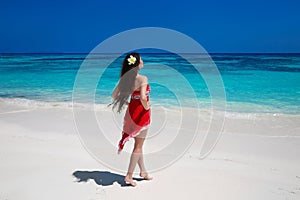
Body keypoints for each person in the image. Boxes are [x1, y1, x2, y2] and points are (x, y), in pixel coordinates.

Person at [110, 52, 153, 187]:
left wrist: (129, 104)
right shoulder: (143, 79)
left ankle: (143, 172)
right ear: (137, 63)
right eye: (141, 59)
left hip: (130, 114)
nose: (143, 61)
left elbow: (113, 95)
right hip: (141, 114)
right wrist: (147, 107)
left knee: (138, 145)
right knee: (139, 146)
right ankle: (129, 175)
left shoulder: (125, 79)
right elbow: (142, 97)